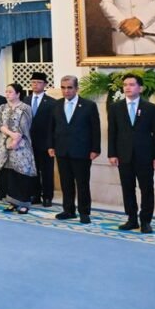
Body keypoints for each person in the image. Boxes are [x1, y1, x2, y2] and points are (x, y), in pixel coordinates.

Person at [108, 73, 155, 233]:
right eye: (125, 85)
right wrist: (112, 154)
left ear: (140, 88)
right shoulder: (115, 107)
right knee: (127, 188)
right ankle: (131, 219)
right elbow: (112, 132)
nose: (128, 87)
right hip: (124, 155)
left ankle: (145, 221)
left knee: (147, 189)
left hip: (145, 156)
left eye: (132, 85)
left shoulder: (150, 108)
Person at [48, 75, 101, 224]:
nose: (66, 91)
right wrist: (51, 146)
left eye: (69, 88)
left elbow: (95, 129)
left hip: (82, 151)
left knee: (82, 183)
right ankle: (68, 210)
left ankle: (84, 212)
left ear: (76, 88)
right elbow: (51, 128)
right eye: (63, 88)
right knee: (66, 183)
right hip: (62, 150)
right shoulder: (56, 105)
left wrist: (95, 149)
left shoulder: (89, 105)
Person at [0, 83, 36, 215]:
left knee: (21, 174)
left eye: (10, 92)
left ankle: (24, 203)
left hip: (21, 146)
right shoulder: (2, 107)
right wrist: (11, 135)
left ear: (18, 94)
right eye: (6, 92)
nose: (7, 94)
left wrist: (16, 140)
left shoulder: (25, 108)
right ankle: (12, 202)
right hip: (4, 145)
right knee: (8, 174)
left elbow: (25, 127)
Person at [27, 72, 55, 206]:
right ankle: (35, 194)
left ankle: (47, 196)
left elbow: (53, 125)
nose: (35, 85)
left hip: (45, 143)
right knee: (33, 170)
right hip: (29, 142)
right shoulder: (25, 100)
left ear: (45, 84)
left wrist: (51, 144)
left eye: (38, 82)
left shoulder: (52, 102)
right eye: (33, 82)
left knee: (47, 171)